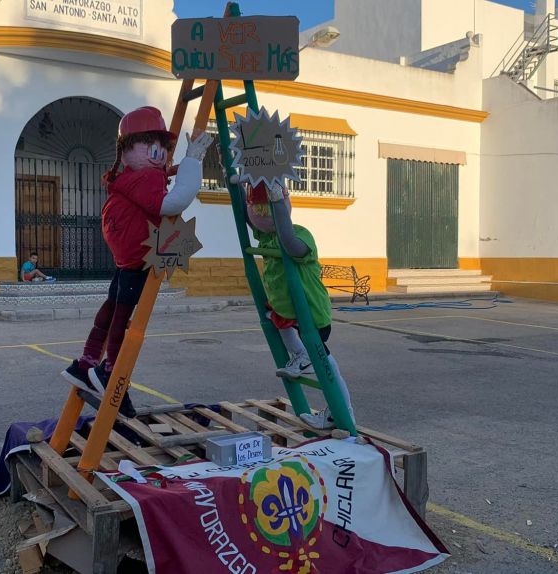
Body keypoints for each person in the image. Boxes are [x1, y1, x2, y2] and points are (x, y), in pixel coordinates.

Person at [61, 106, 213, 417]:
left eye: (162, 149)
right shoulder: (143, 178)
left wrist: (178, 165)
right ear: (128, 151)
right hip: (138, 259)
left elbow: (162, 174)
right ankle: (111, 372)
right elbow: (172, 202)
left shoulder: (131, 175)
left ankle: (88, 361)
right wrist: (194, 163)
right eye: (152, 148)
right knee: (122, 320)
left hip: (125, 259)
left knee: (111, 309)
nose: (159, 156)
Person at [245, 180, 355, 429]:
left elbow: (292, 246)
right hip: (287, 311)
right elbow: (249, 218)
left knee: (326, 366)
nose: (259, 215)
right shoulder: (265, 237)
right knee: (281, 329)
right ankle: (300, 356)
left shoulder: (300, 233)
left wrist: (277, 204)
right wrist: (240, 184)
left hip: (311, 315)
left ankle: (341, 412)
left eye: (265, 210)